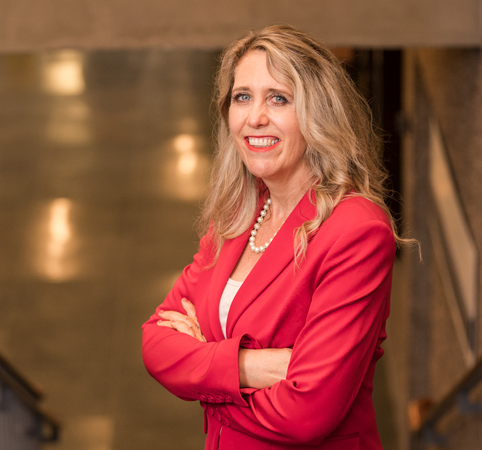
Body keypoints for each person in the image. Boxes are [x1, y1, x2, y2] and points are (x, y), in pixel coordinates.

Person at [142, 25, 406, 450]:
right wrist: (248, 367)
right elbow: (155, 342)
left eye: (278, 98)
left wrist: (205, 377)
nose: (254, 117)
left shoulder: (356, 231)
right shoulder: (239, 214)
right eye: (242, 96)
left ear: (318, 113)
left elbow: (305, 414)